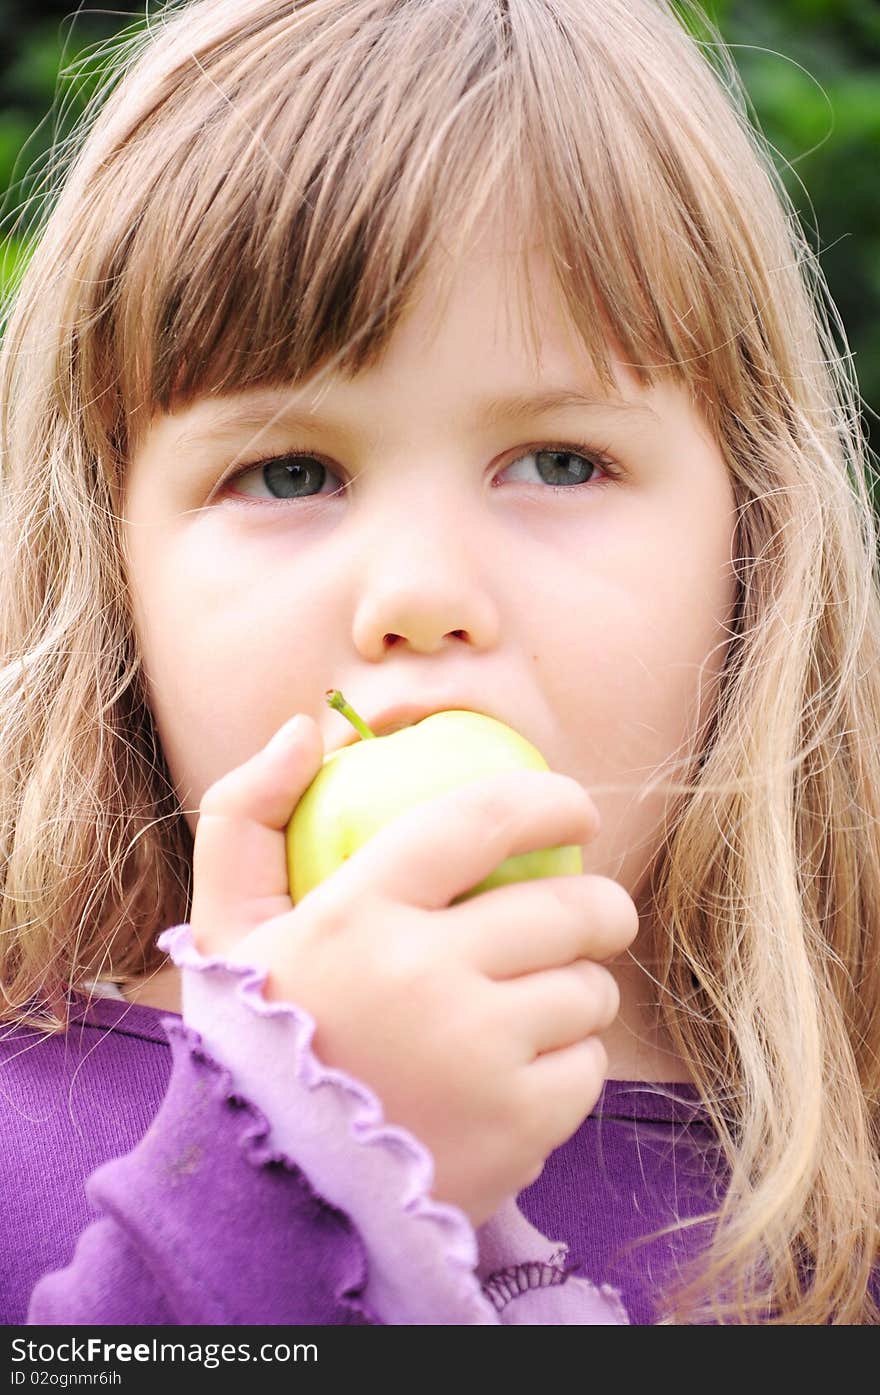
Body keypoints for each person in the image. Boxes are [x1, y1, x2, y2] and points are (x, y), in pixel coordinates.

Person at [1, 0, 878, 1327]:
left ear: (754, 538)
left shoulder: (839, 1195)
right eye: (290, 471)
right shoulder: (24, 1147)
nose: (418, 595)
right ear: (112, 566)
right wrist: (284, 1162)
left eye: (560, 461)